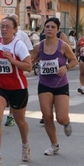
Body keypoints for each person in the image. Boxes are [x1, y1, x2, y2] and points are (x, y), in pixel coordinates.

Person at [0, 16, 32, 164]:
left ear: (14, 30)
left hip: (18, 87)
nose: (4, 29)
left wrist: (12, 60)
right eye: (2, 26)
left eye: (7, 27)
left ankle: (25, 144)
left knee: (20, 121)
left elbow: (29, 66)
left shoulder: (18, 45)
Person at [31, 18, 78, 156]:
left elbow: (74, 60)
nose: (49, 29)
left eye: (52, 27)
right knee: (47, 116)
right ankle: (54, 144)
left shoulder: (63, 46)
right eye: (47, 27)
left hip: (60, 84)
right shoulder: (38, 47)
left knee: (61, 118)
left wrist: (66, 67)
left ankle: (66, 122)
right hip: (44, 84)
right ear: (44, 29)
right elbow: (30, 60)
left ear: (57, 30)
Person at [4, 14, 33, 127]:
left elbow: (30, 50)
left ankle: (11, 115)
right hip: (1, 71)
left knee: (13, 94)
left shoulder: (22, 36)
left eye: (14, 22)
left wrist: (26, 61)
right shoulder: (0, 34)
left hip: (15, 70)